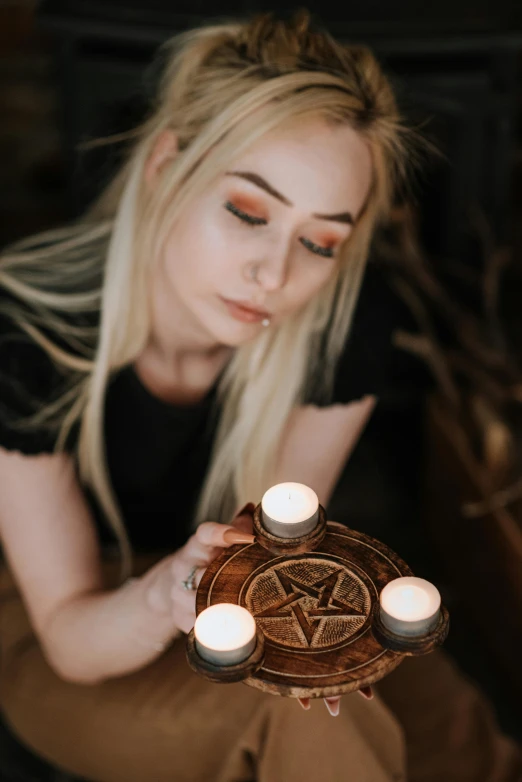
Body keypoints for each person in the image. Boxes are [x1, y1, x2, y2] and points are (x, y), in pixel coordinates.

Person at [0, 11, 519, 782]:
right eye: (248, 212)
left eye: (320, 242)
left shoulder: (342, 329)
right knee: (297, 713)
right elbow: (73, 642)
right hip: (53, 634)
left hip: (227, 605)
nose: (276, 275)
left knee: (442, 717)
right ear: (166, 166)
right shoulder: (22, 340)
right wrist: (157, 597)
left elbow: (266, 562)